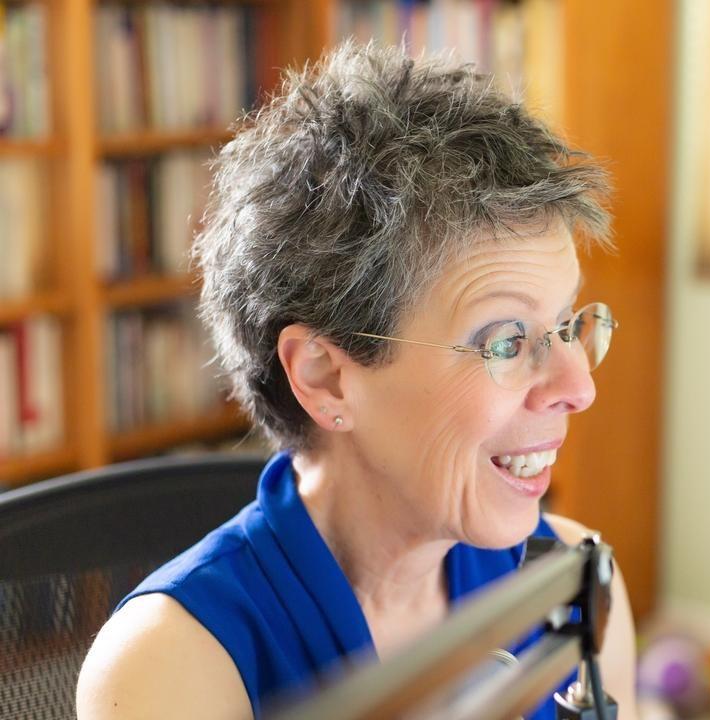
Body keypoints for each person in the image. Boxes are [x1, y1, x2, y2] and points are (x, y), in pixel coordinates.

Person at [76, 42, 636, 720]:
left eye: (569, 324)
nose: (578, 386)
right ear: (326, 378)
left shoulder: (572, 586)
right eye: (506, 341)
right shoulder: (166, 670)